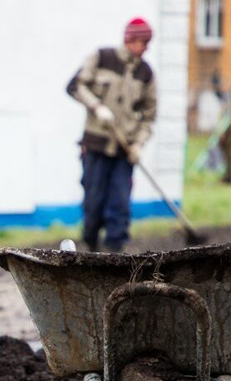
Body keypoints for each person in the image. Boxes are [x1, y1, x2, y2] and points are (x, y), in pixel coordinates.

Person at [66, 17, 157, 253]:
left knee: (119, 204)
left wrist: (138, 144)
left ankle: (116, 253)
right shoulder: (101, 58)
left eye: (147, 43)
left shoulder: (145, 73)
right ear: (130, 39)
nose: (146, 47)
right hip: (95, 146)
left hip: (123, 150)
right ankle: (91, 246)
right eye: (142, 42)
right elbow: (75, 86)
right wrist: (96, 106)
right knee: (94, 202)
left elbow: (149, 116)